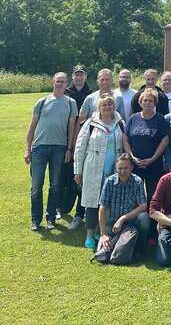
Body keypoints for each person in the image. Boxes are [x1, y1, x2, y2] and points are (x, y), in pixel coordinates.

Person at [25, 72, 78, 231]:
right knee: (36, 186)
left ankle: (50, 218)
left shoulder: (71, 103)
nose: (60, 84)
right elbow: (32, 126)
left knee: (55, 185)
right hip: (39, 148)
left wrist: (69, 148)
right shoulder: (42, 102)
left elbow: (71, 128)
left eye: (63, 81)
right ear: (53, 82)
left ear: (66, 84)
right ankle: (36, 220)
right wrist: (28, 149)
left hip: (59, 148)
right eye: (57, 81)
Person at [74, 95, 124, 249]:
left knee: (108, 200)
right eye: (104, 105)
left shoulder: (120, 123)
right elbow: (80, 147)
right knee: (92, 200)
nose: (107, 107)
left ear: (113, 106)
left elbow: (124, 144)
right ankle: (89, 235)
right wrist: (78, 171)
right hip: (94, 167)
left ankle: (100, 231)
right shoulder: (90, 123)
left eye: (109, 105)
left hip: (113, 167)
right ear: (99, 107)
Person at [123, 88, 169, 206]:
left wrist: (152, 159)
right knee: (133, 197)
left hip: (154, 165)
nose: (147, 103)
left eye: (150, 101)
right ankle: (135, 217)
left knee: (153, 198)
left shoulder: (160, 119)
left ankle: (152, 217)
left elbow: (165, 141)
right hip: (135, 165)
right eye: (145, 100)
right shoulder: (133, 118)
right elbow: (125, 139)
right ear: (140, 102)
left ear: (155, 104)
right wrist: (132, 157)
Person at [98, 153, 150, 256]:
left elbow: (143, 206)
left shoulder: (137, 181)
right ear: (116, 168)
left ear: (132, 167)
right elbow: (102, 208)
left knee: (144, 217)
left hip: (130, 224)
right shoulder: (109, 182)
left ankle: (139, 247)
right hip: (111, 225)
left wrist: (123, 218)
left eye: (126, 168)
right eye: (120, 168)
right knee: (102, 253)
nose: (123, 171)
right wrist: (104, 234)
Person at [64, 64, 92, 230]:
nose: (79, 77)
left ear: (85, 76)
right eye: (76, 74)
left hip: (86, 139)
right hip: (67, 138)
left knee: (82, 178)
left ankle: (80, 213)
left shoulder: (91, 94)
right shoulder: (66, 93)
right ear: (73, 76)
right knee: (67, 176)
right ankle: (63, 206)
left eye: (82, 74)